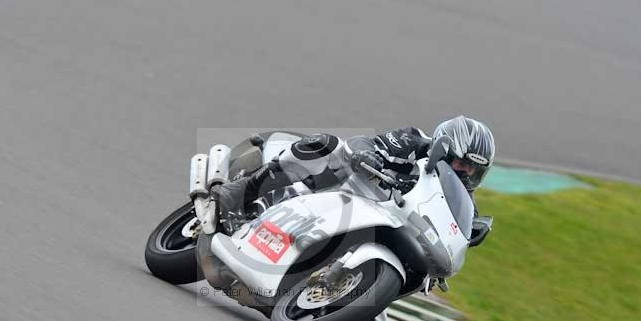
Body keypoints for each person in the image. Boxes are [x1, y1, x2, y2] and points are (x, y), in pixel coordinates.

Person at [212, 116, 496, 234]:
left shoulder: (461, 201)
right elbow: (365, 144)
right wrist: (366, 154)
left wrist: (470, 234)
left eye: (474, 170)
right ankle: (238, 193)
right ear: (444, 149)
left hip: (373, 228)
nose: (466, 173)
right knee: (331, 146)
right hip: (339, 194)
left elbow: (456, 231)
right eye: (462, 163)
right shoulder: (412, 142)